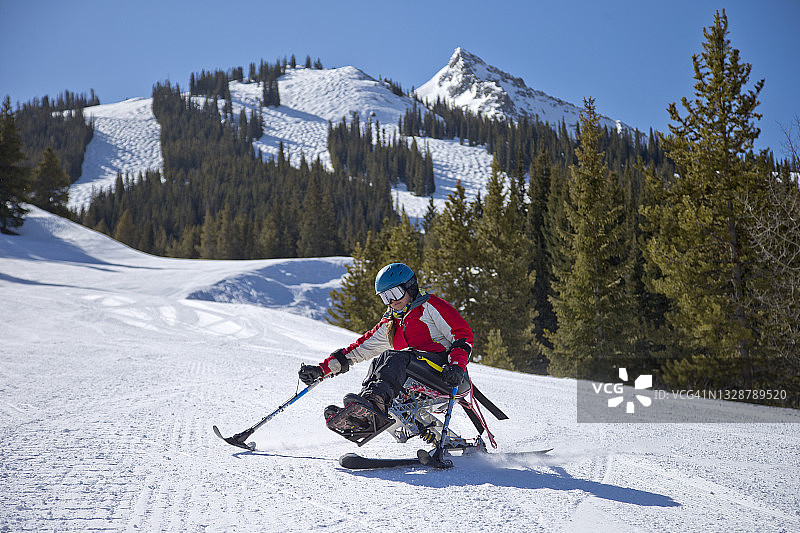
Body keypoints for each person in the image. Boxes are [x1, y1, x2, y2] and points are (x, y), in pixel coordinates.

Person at [298, 262, 474, 419]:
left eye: (395, 294)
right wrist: (322, 370)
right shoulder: (391, 323)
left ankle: (375, 402)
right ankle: (364, 409)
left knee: (394, 357)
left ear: (410, 287)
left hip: (447, 377)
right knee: (379, 361)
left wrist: (456, 366)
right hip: (417, 383)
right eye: (385, 297)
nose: (391, 301)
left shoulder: (429, 306)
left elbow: (462, 335)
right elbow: (360, 349)